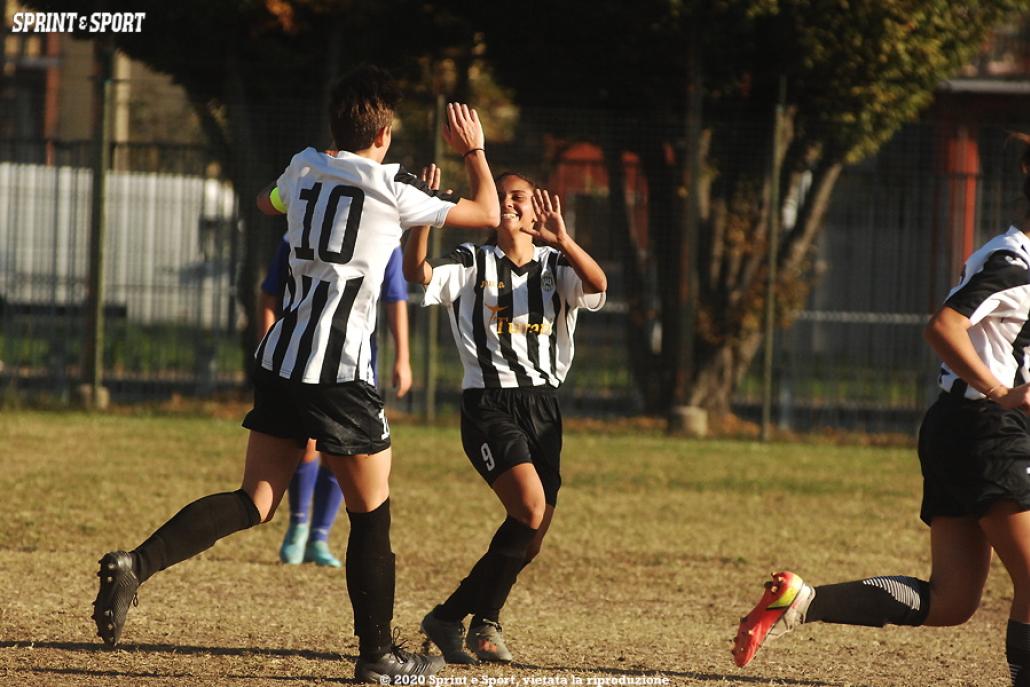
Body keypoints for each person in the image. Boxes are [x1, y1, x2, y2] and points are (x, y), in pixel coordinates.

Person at [90, 65, 500, 684]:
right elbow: (490, 211)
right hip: (340, 373)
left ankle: (135, 565)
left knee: (254, 500)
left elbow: (267, 201)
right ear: (383, 133)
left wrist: (306, 183)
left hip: (282, 358)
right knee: (371, 513)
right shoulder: (395, 185)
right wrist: (474, 151)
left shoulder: (304, 167)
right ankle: (378, 656)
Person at [732, 135, 1030, 687]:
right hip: (986, 430)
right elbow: (943, 327)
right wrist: (999, 391)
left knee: (951, 601)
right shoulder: (1013, 263)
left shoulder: (1011, 256)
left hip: (963, 428)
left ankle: (802, 601)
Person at [404, 170, 607, 664]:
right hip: (489, 405)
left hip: (543, 407)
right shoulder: (471, 261)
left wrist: (564, 240)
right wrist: (427, 216)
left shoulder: (556, 264)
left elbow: (598, 285)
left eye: (519, 196)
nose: (510, 203)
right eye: (501, 197)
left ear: (537, 208)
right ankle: (476, 620)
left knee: (530, 538)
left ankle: (461, 618)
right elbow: (417, 273)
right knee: (530, 509)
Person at [258, 241, 412, 568]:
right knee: (306, 444)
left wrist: (403, 357)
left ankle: (319, 536)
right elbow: (270, 295)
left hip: (353, 363)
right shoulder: (298, 232)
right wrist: (268, 342)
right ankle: (298, 526)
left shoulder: (384, 236)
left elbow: (395, 299)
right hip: (300, 356)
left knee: (340, 449)